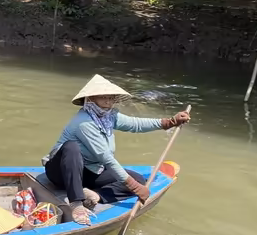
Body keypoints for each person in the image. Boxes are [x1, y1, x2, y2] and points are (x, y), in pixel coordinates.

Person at [43, 75, 191, 225]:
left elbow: (135, 124)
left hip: (87, 172)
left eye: (111, 97)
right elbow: (106, 158)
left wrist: (169, 122)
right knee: (71, 147)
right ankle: (76, 203)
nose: (108, 101)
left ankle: (95, 195)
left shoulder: (109, 116)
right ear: (91, 98)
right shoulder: (84, 122)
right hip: (61, 172)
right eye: (103, 97)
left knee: (139, 179)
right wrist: (134, 187)